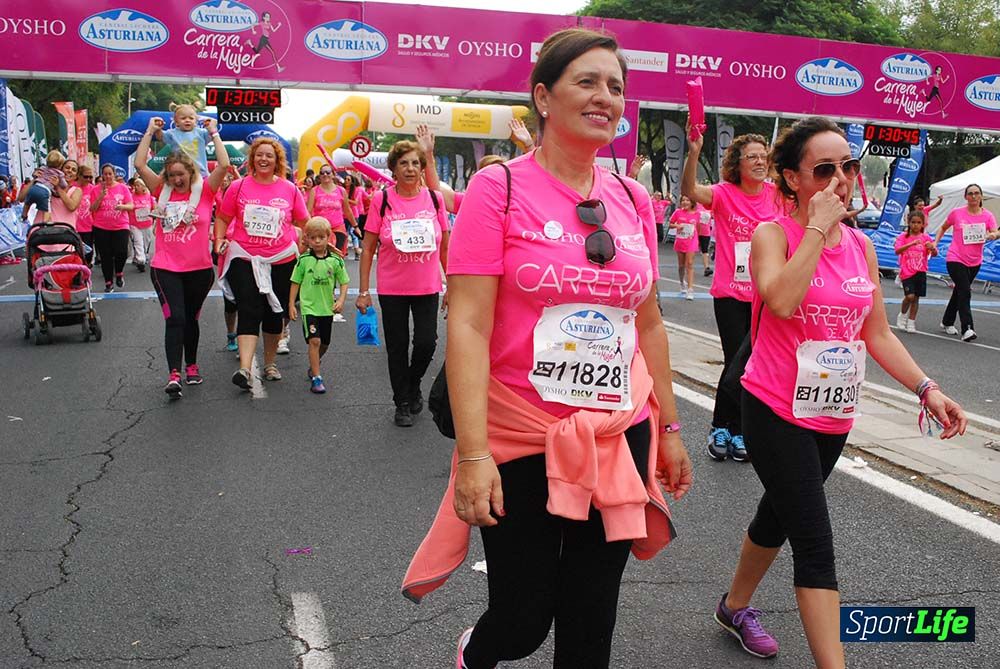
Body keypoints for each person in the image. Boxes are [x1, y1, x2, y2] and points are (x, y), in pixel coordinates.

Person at [401, 28, 691, 669]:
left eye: (615, 86)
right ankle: (476, 651)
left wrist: (668, 426)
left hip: (617, 430)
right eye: (586, 82)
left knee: (593, 615)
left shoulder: (633, 199)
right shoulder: (497, 188)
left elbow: (648, 324)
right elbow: (470, 324)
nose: (605, 97)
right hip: (519, 432)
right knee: (524, 617)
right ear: (543, 97)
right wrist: (474, 454)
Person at [717, 116, 967, 668]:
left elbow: (875, 332)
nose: (841, 179)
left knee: (777, 516)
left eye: (848, 167)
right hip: (772, 408)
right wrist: (813, 229)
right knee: (814, 540)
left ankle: (734, 606)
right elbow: (780, 301)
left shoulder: (860, 245)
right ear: (791, 180)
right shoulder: (772, 235)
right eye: (823, 169)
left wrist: (927, 388)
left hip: (832, 412)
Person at [682, 129, 781, 462]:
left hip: (765, 294)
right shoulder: (724, 194)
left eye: (763, 156)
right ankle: (723, 429)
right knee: (735, 362)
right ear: (737, 163)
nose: (759, 161)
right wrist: (694, 151)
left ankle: (736, 429)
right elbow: (690, 190)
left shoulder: (777, 195)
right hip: (730, 294)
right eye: (751, 156)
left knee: (751, 364)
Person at [355, 140, 450, 427]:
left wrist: (453, 285)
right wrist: (362, 291)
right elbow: (369, 247)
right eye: (403, 163)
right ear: (393, 169)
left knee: (426, 342)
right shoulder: (383, 200)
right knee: (396, 347)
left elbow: (445, 246)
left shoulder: (435, 200)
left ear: (422, 168)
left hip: (427, 286)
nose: (410, 168)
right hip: (392, 287)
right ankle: (402, 402)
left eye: (415, 163)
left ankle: (413, 382)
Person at [134, 116, 228, 395]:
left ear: (191, 174)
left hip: (198, 269)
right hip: (166, 267)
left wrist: (213, 133)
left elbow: (223, 165)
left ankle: (192, 365)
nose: (176, 179)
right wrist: (150, 131)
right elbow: (140, 164)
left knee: (190, 318)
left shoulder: (206, 192)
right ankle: (174, 373)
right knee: (174, 317)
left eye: (180, 175)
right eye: (171, 175)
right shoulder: (160, 190)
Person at [215, 138, 309, 389]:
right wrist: (219, 239)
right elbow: (223, 217)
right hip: (245, 256)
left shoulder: (290, 189)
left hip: (281, 259)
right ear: (252, 159)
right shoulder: (238, 186)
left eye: (269, 155)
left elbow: (304, 222)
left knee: (273, 312)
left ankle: (269, 364)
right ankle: (245, 368)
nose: (264, 159)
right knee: (249, 308)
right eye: (259, 155)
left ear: (278, 161)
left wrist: (309, 244)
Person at [289, 217, 350, 394]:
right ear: (307, 238)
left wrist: (340, 300)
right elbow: (295, 282)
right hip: (309, 308)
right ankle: (317, 377)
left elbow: (344, 281)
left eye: (321, 237)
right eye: (313, 238)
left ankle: (315, 362)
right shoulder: (304, 259)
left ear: (328, 237)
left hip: (326, 308)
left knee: (324, 343)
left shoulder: (336, 261)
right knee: (314, 341)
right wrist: (292, 304)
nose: (317, 241)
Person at [934, 183, 1000, 341]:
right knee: (965, 291)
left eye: (977, 193)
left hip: (975, 261)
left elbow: (995, 231)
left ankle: (947, 321)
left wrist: (993, 235)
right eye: (970, 194)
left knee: (959, 292)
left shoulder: (988, 216)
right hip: (955, 258)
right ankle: (967, 328)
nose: (974, 196)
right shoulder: (957, 213)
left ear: (981, 196)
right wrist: (936, 243)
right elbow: (943, 227)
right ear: (965, 197)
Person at [90, 164, 135, 292]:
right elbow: (92, 209)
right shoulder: (96, 189)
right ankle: (108, 282)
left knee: (121, 252)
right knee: (106, 256)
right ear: (102, 175)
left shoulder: (123, 188)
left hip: (120, 225)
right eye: (105, 174)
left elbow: (131, 205)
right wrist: (100, 197)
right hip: (101, 226)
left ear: (114, 174)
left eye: (110, 173)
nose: (108, 176)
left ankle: (119, 272)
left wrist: (123, 207)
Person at [894, 210, 937, 333]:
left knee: (916, 298)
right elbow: (897, 250)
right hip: (907, 271)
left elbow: (934, 253)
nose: (916, 225)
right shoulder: (903, 237)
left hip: (921, 270)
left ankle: (911, 321)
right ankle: (902, 315)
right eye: (913, 222)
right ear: (909, 222)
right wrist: (911, 243)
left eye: (919, 223)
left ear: (923, 224)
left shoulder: (926, 238)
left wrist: (932, 248)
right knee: (909, 296)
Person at [307, 164, 358, 255]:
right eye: (322, 173)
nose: (325, 174)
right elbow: (308, 212)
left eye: (328, 172)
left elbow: (347, 211)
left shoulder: (341, 191)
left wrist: (355, 226)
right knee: (320, 258)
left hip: (338, 228)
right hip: (320, 230)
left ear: (333, 175)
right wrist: (306, 230)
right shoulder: (314, 191)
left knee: (336, 257)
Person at [153, 104, 212, 177]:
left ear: (196, 121)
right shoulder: (172, 133)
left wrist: (210, 126)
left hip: (200, 172)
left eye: (191, 118)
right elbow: (160, 137)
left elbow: (211, 135)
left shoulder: (201, 133)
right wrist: (158, 128)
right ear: (176, 122)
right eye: (183, 118)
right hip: (180, 173)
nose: (187, 120)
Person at [19, 151, 69, 223]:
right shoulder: (59, 173)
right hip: (45, 190)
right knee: (47, 209)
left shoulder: (42, 168)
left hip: (35, 187)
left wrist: (36, 179)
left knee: (27, 203)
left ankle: (23, 216)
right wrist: (34, 179)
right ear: (60, 165)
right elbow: (64, 185)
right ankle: (46, 222)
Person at [669, 195, 700, 300]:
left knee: (690, 264)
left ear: (692, 202)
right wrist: (677, 226)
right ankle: (682, 282)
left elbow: (698, 228)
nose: (685, 202)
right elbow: (671, 224)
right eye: (683, 200)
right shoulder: (678, 212)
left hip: (692, 241)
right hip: (680, 241)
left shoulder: (697, 214)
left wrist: (697, 239)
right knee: (681, 265)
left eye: (688, 200)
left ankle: (690, 289)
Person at [128, 177, 155, 272]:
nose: (136, 187)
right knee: (138, 241)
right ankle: (141, 260)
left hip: (147, 223)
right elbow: (128, 207)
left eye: (138, 185)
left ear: (143, 186)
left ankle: (144, 255)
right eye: (135, 185)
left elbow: (153, 208)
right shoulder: (131, 196)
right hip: (135, 224)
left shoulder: (148, 196)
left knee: (147, 241)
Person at [48, 158, 83, 229]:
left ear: (76, 176)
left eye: (73, 170)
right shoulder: (50, 185)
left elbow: (72, 206)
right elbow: (21, 198)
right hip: (47, 231)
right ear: (61, 170)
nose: (69, 171)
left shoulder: (77, 190)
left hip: (66, 233)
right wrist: (35, 179)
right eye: (67, 168)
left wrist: (57, 187)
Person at [75, 167, 96, 265]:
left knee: (88, 253)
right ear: (78, 176)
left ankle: (86, 268)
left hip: (88, 226)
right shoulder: (72, 188)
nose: (88, 179)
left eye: (90, 177)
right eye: (86, 177)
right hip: (74, 226)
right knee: (76, 252)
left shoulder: (92, 188)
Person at [697, 203, 714, 276]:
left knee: (705, 250)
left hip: (705, 232)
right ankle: (687, 265)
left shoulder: (710, 207)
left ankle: (706, 268)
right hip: (695, 232)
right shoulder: (696, 204)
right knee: (691, 250)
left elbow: (714, 216)